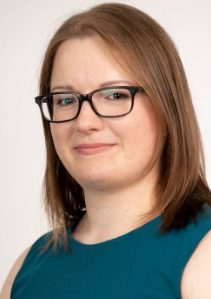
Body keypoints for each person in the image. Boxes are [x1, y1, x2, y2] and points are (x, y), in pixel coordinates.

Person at [1, 2, 211, 299]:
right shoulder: (26, 269)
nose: (85, 122)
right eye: (65, 99)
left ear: (168, 110)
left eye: (114, 94)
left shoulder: (204, 254)